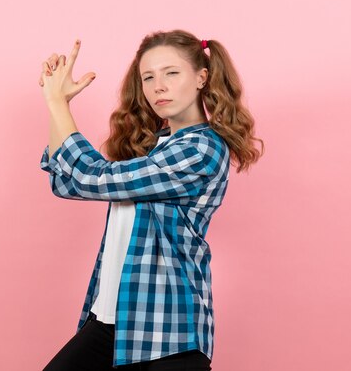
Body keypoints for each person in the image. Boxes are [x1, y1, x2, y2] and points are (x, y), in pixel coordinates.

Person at [38, 29, 264, 370]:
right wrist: (59, 104)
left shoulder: (202, 149)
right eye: (148, 77)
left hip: (168, 332)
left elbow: (89, 176)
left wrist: (57, 104)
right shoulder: (154, 148)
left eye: (171, 73)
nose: (159, 85)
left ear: (202, 77)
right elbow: (68, 182)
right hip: (113, 320)